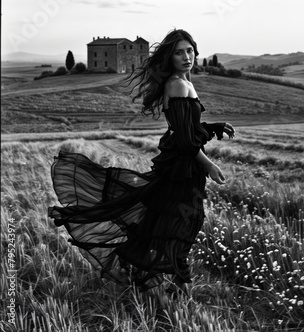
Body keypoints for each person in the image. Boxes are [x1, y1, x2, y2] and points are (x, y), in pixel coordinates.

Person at [48, 29, 235, 297]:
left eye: (190, 50)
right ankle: (178, 282)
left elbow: (187, 126)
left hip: (182, 167)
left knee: (169, 219)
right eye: (179, 52)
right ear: (169, 57)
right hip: (183, 168)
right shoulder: (178, 85)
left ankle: (165, 275)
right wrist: (209, 165)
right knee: (184, 221)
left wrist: (213, 126)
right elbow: (183, 139)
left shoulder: (184, 82)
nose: (186, 56)